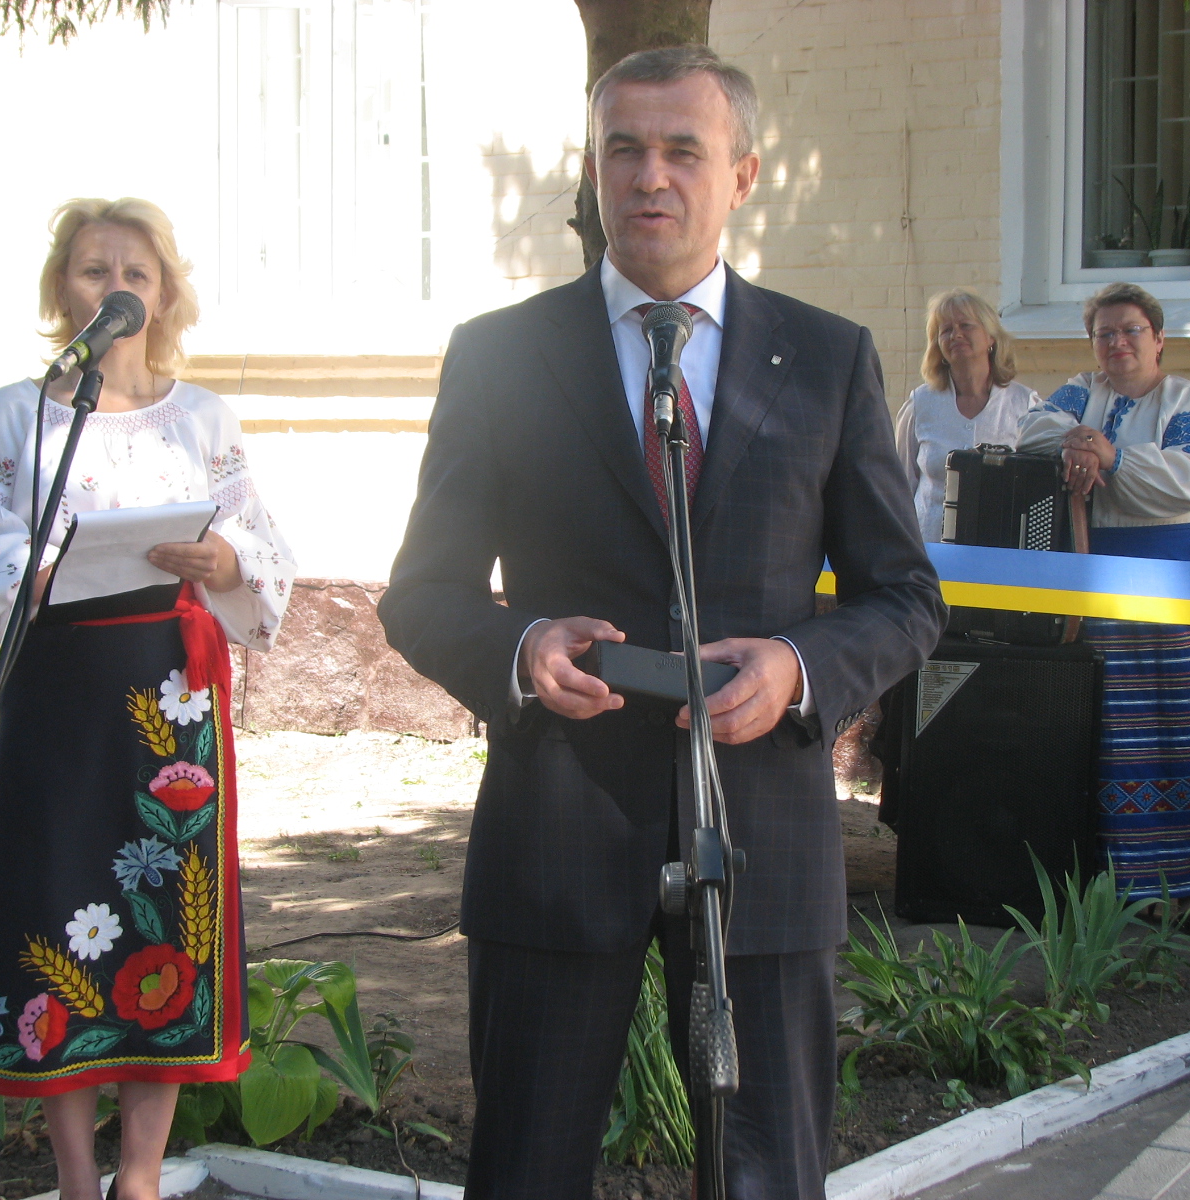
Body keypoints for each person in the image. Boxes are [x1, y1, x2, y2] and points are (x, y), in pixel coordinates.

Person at [379, 45, 944, 1200]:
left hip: (761, 834)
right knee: (526, 1170)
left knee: (766, 1175)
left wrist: (797, 667)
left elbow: (903, 598)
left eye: (683, 150)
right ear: (592, 173)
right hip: (556, 826)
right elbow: (423, 593)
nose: (649, 176)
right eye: (622, 150)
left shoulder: (826, 358)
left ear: (742, 176)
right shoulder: (500, 357)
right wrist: (521, 650)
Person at [0, 198, 295, 1200]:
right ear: (64, 289)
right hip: (56, 698)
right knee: (55, 909)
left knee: (162, 919)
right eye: (96, 271)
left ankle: (139, 1176)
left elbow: (261, 548)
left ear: (166, 294)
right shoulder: (13, 416)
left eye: (136, 273)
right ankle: (75, 1178)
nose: (116, 289)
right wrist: (36, 571)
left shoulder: (202, 417)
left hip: (168, 703)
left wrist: (223, 559)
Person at [1017, 282, 1190, 931]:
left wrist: (1113, 457)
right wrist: (1079, 442)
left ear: (1158, 338)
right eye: (1105, 333)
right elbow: (1032, 432)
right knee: (1118, 740)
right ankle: (1133, 886)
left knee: (1187, 733)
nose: (1117, 342)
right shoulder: (1081, 392)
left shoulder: (1187, 401)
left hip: (1183, 592)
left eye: (1130, 330)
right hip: (1102, 589)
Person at [895, 290, 1039, 541]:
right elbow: (900, 485)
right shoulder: (920, 404)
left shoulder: (1024, 404)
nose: (956, 335)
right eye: (946, 330)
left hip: (997, 545)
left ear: (991, 337)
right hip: (928, 547)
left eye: (966, 325)